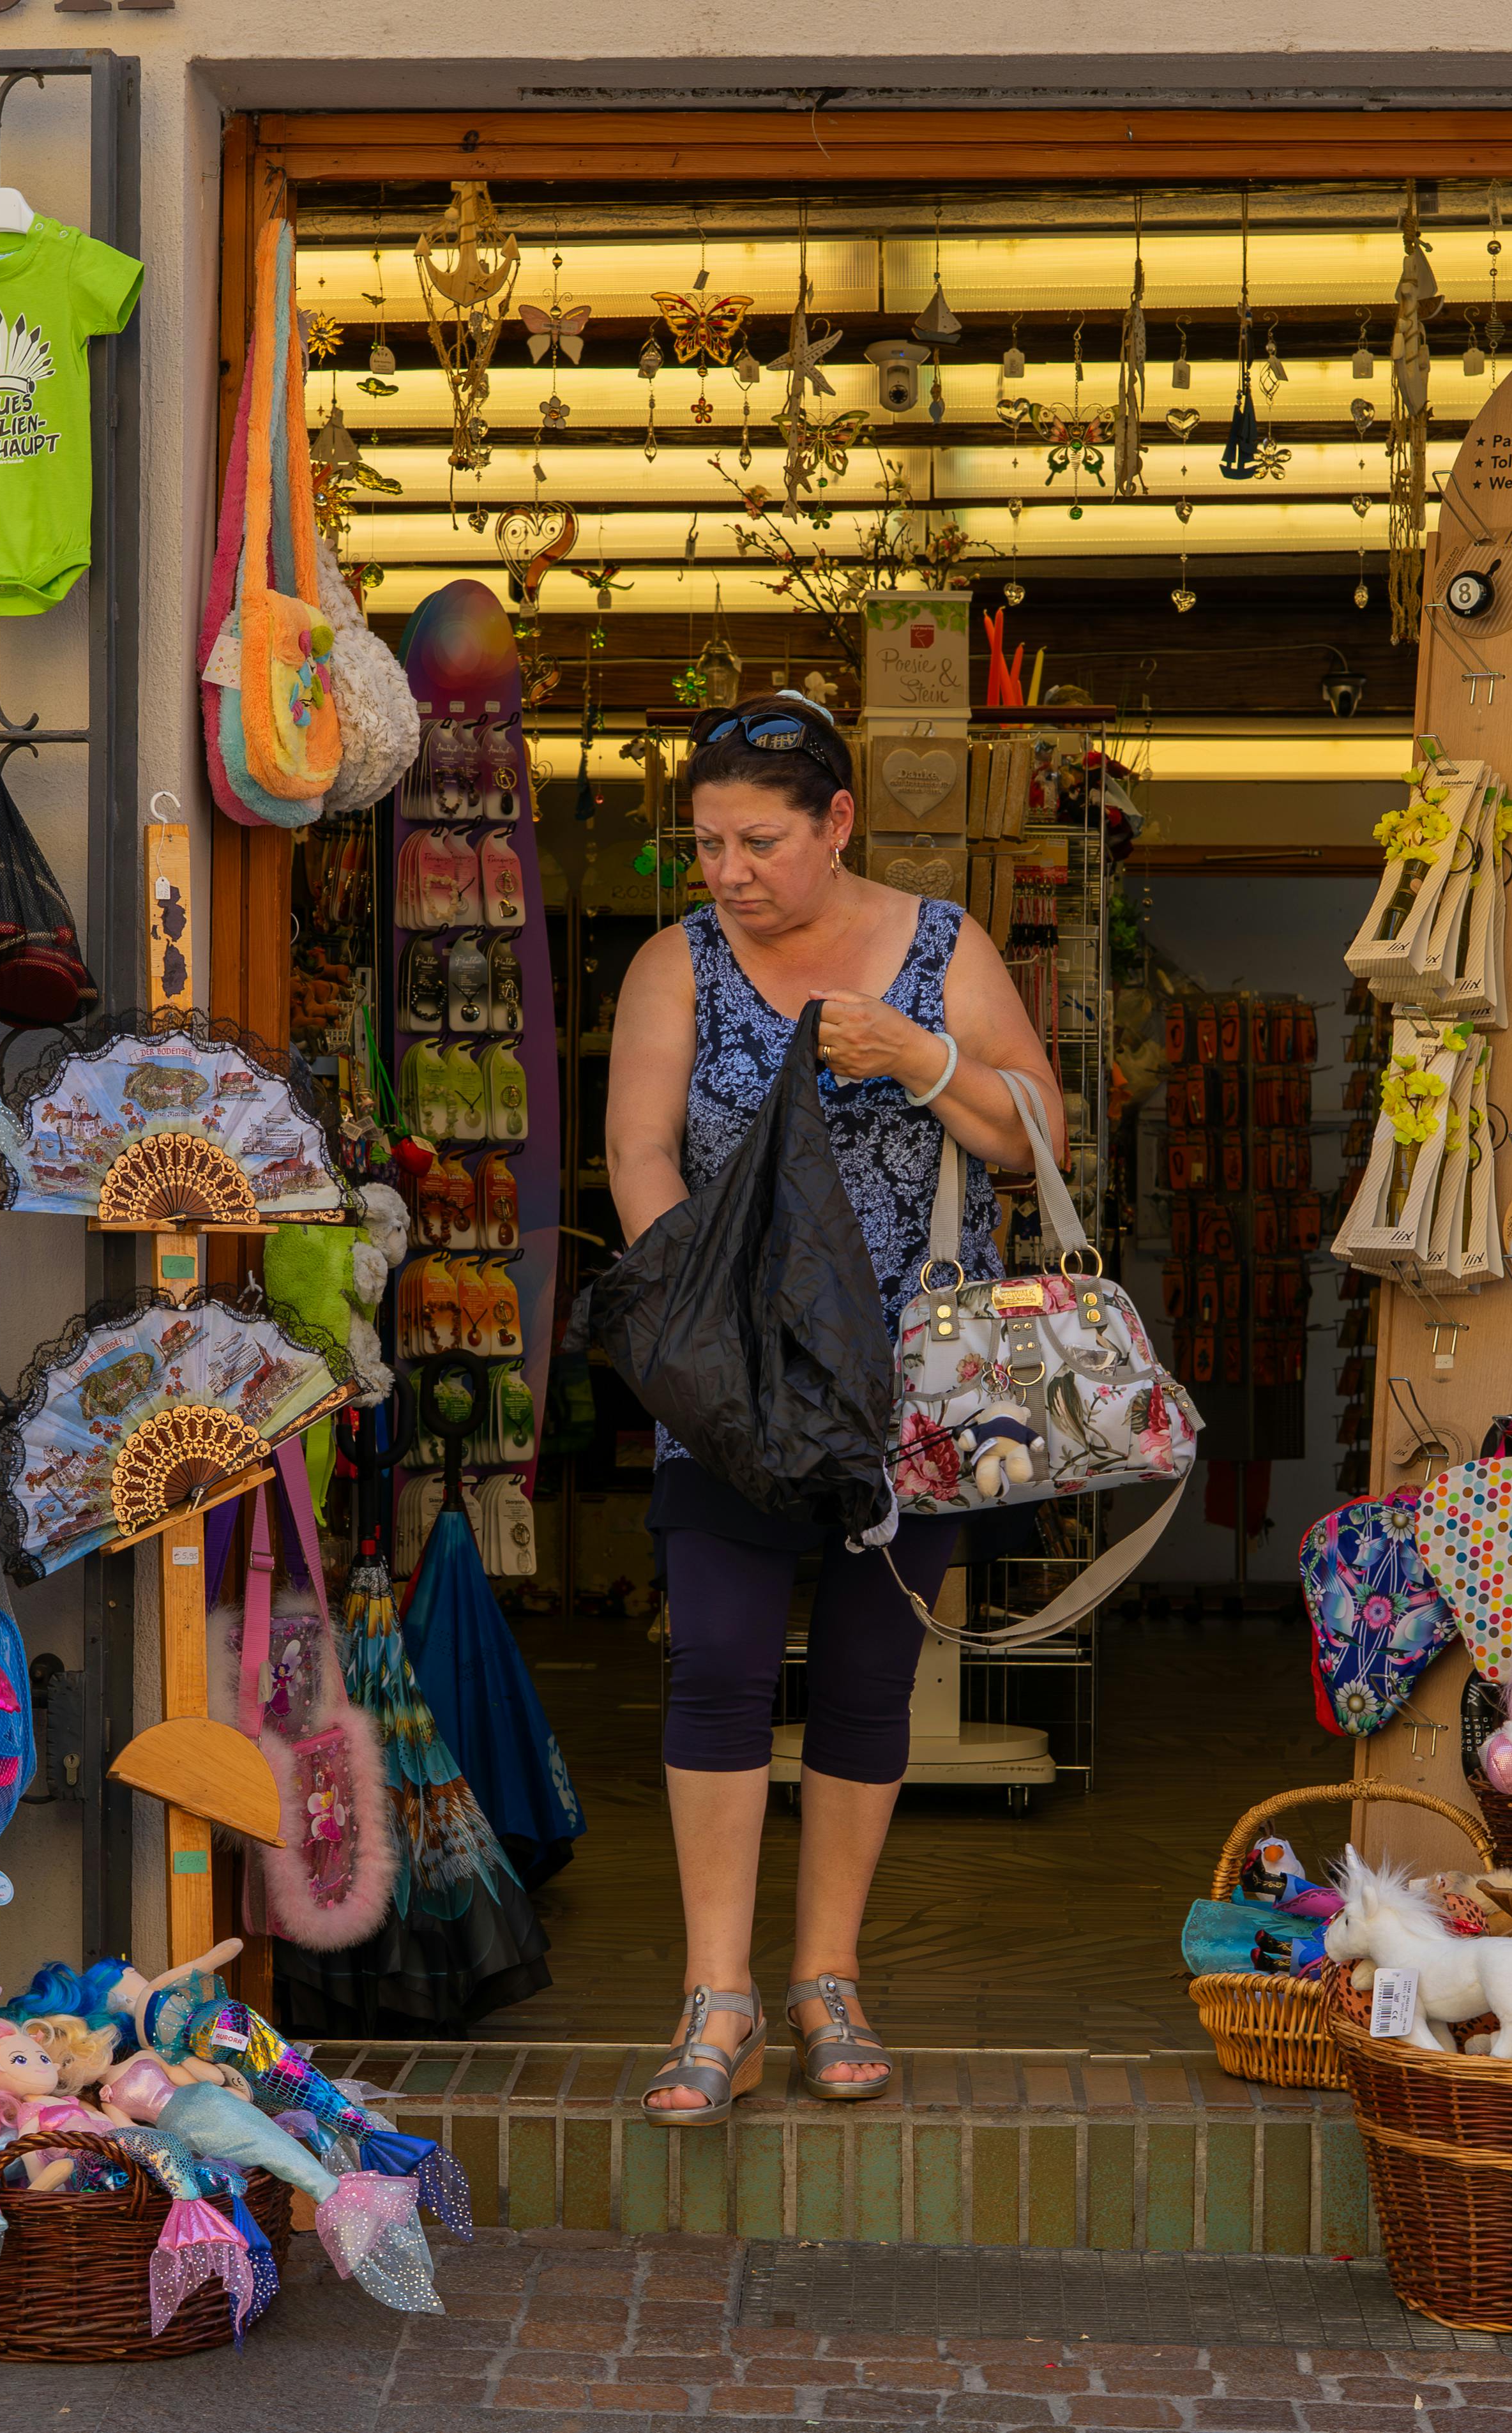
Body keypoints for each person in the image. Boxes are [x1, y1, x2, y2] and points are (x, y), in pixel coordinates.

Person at [602, 691, 1063, 2119]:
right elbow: (637, 1159)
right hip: (732, 1381)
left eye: (758, 842)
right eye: (707, 845)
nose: (729, 872)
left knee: (870, 1681)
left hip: (912, 1382)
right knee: (721, 1664)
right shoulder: (674, 964)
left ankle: (826, 1979)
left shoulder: (938, 948)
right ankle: (716, 1994)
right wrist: (723, 1340)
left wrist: (922, 1061)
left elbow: (1037, 1133)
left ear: (836, 824)